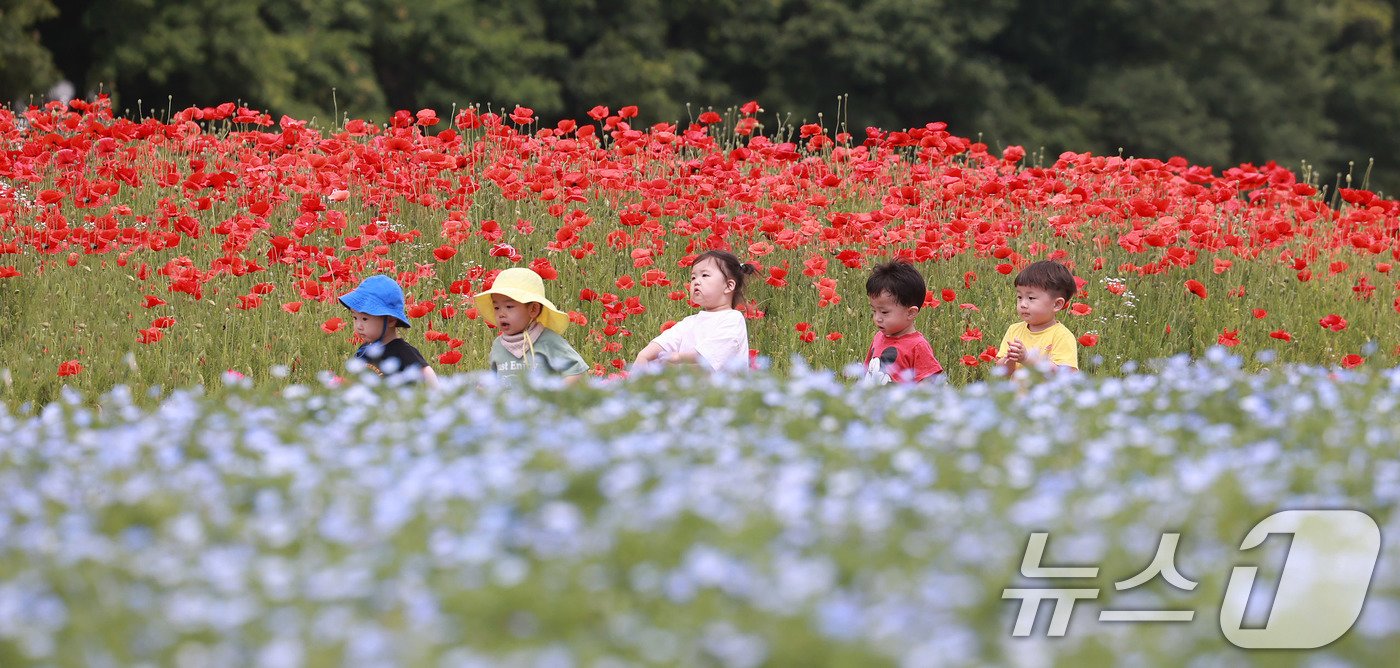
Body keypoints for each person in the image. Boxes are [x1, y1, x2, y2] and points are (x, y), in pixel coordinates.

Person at [634, 250, 754, 372]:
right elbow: (666, 341)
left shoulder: (733, 318)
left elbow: (714, 350)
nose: (696, 281)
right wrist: (644, 355)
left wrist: (677, 357)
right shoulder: (689, 322)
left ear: (729, 286)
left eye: (705, 275)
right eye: (693, 277)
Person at [474, 267, 589, 383]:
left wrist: (555, 396)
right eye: (496, 308)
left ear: (533, 309)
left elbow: (577, 373)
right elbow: (492, 381)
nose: (501, 314)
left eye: (509, 307)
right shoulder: (498, 345)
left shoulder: (548, 340)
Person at [338, 274, 439, 387]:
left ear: (390, 320)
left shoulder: (403, 351)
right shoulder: (364, 350)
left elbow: (427, 373)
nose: (358, 326)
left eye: (365, 319)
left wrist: (435, 397)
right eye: (355, 318)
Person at [863, 260, 943, 383]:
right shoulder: (878, 338)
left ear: (910, 313)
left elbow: (928, 383)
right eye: (874, 311)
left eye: (884, 312)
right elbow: (867, 372)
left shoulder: (917, 346)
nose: (877, 318)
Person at [996, 260, 1079, 374]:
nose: (1023, 304)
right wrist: (1010, 359)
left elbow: (1064, 374)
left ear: (1057, 304)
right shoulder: (1014, 330)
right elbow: (1003, 373)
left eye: (1031, 298)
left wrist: (1026, 359)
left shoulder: (1062, 336)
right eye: (1019, 297)